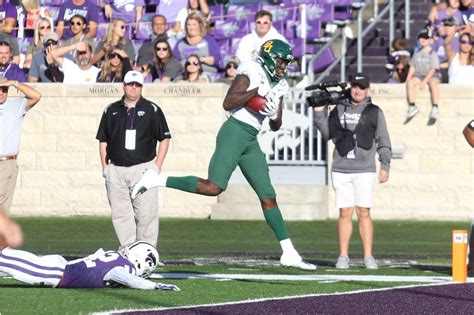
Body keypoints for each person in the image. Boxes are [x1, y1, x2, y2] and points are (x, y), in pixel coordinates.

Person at [131, 39, 315, 271]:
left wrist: (272, 113)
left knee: (268, 195)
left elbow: (277, 124)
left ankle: (289, 252)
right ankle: (155, 180)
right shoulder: (252, 71)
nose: (283, 66)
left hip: (251, 139)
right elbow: (228, 102)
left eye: (285, 62)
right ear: (269, 58)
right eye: (281, 61)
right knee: (214, 187)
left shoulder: (280, 84)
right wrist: (254, 94)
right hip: (234, 131)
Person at [313, 73, 391, 270]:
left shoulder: (374, 111)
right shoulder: (339, 108)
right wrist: (319, 111)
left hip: (365, 169)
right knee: (344, 212)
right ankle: (343, 256)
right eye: (355, 86)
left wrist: (385, 166)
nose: (358, 90)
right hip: (341, 168)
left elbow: (383, 139)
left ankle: (367, 256)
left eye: (362, 87)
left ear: (368, 88)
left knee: (364, 211)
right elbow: (326, 134)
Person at [96, 70, 171, 247]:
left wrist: (157, 167)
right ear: (124, 85)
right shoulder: (111, 110)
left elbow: (165, 138)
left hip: (143, 168)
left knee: (146, 213)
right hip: (116, 169)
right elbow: (103, 140)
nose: (134, 88)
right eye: (131, 84)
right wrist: (105, 168)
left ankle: (146, 251)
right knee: (121, 214)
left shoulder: (152, 109)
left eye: (138, 85)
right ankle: (127, 251)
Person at [0, 240, 180, 291]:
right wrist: (155, 286)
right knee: (4, 260)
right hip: (55, 273)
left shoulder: (116, 256)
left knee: (6, 256)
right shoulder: (125, 268)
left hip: (62, 266)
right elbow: (128, 279)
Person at [0, 75, 41, 214]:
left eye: (4, 89)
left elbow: (36, 95)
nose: (1, 92)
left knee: (4, 211)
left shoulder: (15, 106)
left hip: (9, 163)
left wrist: (14, 83)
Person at [405, 28, 441, 125]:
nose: (423, 40)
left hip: (432, 75)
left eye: (426, 38)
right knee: (411, 83)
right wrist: (408, 79)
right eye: (421, 38)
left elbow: (433, 69)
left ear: (430, 40)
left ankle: (435, 107)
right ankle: (412, 106)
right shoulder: (417, 52)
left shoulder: (432, 53)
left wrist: (425, 81)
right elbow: (412, 66)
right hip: (419, 75)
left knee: (433, 83)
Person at [172, 13, 221, 79]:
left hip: (205, 73)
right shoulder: (180, 42)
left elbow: (217, 59)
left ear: (200, 25)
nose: (191, 27)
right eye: (189, 25)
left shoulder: (209, 40)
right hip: (185, 74)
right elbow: (174, 62)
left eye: (194, 24)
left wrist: (200, 59)